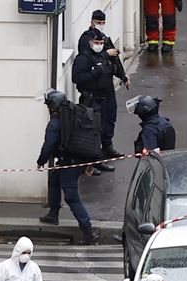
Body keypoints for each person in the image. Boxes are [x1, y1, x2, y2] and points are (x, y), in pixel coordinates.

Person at [36, 90, 100, 246]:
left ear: (53, 106)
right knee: (53, 182)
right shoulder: (73, 117)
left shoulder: (55, 123)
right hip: (74, 161)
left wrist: (41, 161)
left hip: (67, 164)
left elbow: (49, 145)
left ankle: (87, 230)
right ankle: (53, 214)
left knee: (71, 197)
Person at [77, 10, 130, 173]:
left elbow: (115, 61)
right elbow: (90, 60)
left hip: (107, 87)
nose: (101, 25)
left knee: (110, 118)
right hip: (93, 91)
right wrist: (107, 54)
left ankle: (107, 146)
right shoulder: (86, 40)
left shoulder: (105, 39)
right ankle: (96, 157)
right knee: (95, 126)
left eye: (102, 22)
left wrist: (123, 76)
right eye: (99, 22)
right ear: (93, 21)